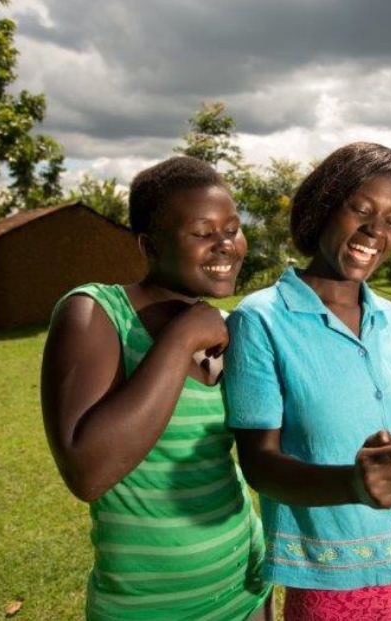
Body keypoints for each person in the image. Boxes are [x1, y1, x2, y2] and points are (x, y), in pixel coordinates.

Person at [223, 142, 391, 620]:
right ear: (325, 206)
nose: (376, 231)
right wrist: (352, 484)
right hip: (332, 577)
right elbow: (259, 465)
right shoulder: (261, 320)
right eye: (362, 210)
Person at [40, 156, 272, 621]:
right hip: (149, 607)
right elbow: (88, 472)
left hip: (246, 585)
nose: (226, 245)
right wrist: (180, 339)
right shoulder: (97, 313)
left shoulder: (228, 330)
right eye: (203, 233)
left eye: (232, 229)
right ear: (149, 245)